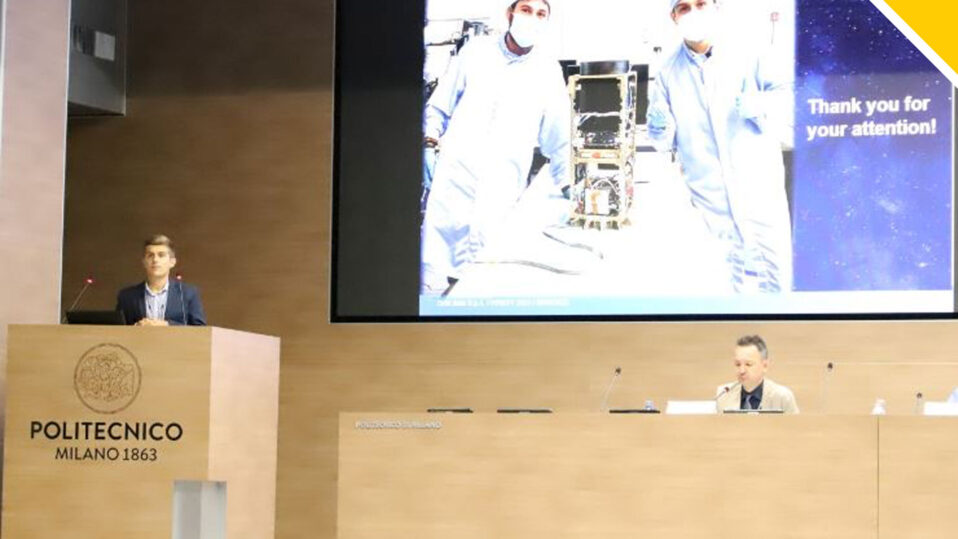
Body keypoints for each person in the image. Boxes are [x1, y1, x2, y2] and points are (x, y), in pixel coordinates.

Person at [420, 0, 571, 294]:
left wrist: (567, 184)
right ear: (510, 13)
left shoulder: (547, 70)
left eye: (541, 14)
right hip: (455, 177)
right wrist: (428, 142)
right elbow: (439, 106)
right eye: (526, 10)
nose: (533, 18)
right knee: (436, 275)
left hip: (502, 186)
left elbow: (558, 135)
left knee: (486, 276)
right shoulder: (475, 53)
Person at [647, 0, 793, 293]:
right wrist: (659, 128)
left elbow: (791, 96)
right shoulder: (666, 73)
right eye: (684, 7)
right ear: (674, 16)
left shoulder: (751, 52)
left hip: (758, 191)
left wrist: (761, 104)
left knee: (775, 279)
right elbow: (662, 142)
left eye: (701, 3)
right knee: (722, 289)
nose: (693, 12)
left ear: (715, 7)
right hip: (709, 201)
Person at [116, 234, 207, 326]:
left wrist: (166, 325)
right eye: (150, 255)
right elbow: (117, 330)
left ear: (172, 262)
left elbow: (200, 329)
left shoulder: (187, 293)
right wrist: (136, 327)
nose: (155, 260)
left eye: (161, 255)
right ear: (144, 262)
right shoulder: (127, 296)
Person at [716, 335, 799, 413]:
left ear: (765, 366)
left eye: (748, 364)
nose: (742, 371)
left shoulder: (783, 397)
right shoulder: (723, 394)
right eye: (738, 364)